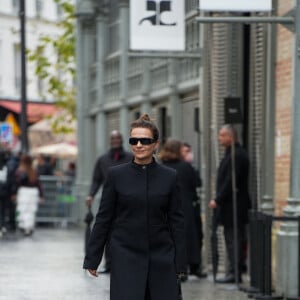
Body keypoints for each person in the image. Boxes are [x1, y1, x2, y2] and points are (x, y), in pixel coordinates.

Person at [83, 114, 186, 300]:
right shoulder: (116, 175)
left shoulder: (169, 176)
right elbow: (104, 219)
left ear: (155, 144)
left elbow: (177, 222)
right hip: (126, 256)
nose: (139, 145)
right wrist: (93, 257)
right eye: (134, 140)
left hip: (162, 257)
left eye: (145, 140)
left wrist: (180, 263)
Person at [85, 130, 132, 273]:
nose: (115, 140)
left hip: (128, 202)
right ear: (109, 141)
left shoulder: (131, 157)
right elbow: (96, 180)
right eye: (113, 138)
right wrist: (91, 195)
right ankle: (109, 264)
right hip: (109, 202)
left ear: (122, 140)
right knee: (108, 233)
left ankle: (126, 261)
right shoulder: (102, 160)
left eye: (118, 138)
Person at [208, 125, 251, 283]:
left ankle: (235, 273)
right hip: (229, 208)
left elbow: (230, 181)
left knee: (234, 240)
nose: (219, 138)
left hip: (235, 207)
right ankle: (232, 271)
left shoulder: (237, 155)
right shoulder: (231, 154)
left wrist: (217, 199)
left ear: (231, 137)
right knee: (231, 239)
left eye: (222, 135)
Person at [159, 139, 203, 280]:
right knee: (188, 237)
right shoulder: (185, 167)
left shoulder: (161, 167)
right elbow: (197, 182)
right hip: (186, 207)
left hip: (165, 207)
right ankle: (189, 267)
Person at [180, 142, 207, 278]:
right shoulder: (183, 166)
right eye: (186, 151)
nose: (188, 154)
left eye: (189, 151)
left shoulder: (189, 166)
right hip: (183, 207)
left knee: (196, 236)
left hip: (191, 207)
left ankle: (194, 266)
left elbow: (198, 182)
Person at [12, 154, 44, 236]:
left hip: (23, 192)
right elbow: (38, 183)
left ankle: (22, 225)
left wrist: (14, 193)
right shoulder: (34, 171)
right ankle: (29, 227)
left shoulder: (19, 171)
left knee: (22, 210)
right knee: (31, 211)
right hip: (33, 193)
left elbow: (17, 183)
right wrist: (41, 195)